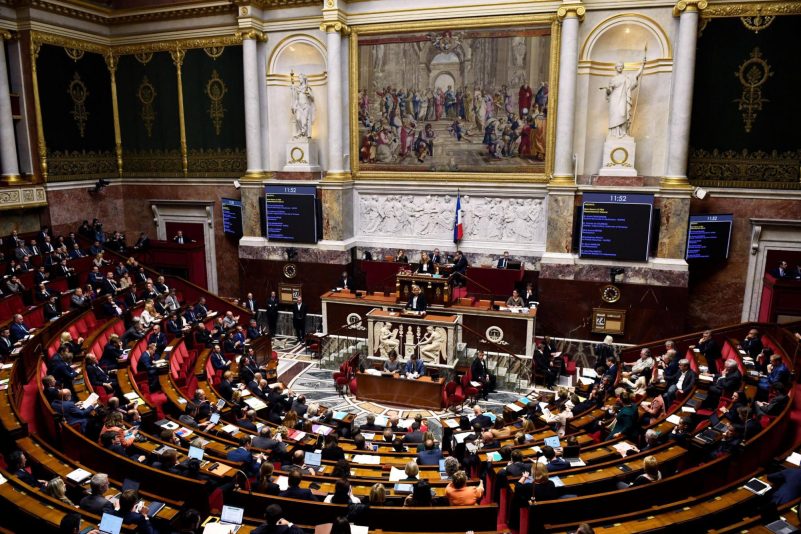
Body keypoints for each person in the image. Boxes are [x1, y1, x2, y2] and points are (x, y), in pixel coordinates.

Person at [603, 57, 645, 138]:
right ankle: (614, 133)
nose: (620, 67)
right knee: (614, 115)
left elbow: (637, 74)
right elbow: (610, 91)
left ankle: (623, 133)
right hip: (614, 100)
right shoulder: (613, 79)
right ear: (615, 68)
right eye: (618, 66)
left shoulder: (626, 77)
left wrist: (642, 65)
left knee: (622, 113)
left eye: (621, 66)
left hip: (622, 98)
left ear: (623, 68)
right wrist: (607, 90)